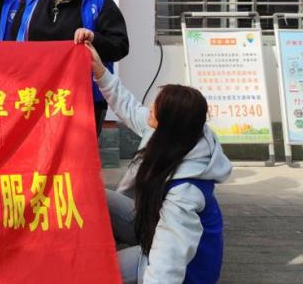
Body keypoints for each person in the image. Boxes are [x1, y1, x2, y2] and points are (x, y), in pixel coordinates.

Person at [89, 46, 230, 284]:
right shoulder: (176, 135)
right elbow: (128, 108)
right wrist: (100, 70)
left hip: (187, 269)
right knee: (94, 194)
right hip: (152, 227)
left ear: (170, 123)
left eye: (155, 109)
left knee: (96, 271)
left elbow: (169, 260)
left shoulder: (186, 191)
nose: (149, 109)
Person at [7, 0, 129, 136]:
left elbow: (120, 45)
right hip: (36, 96)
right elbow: (13, 43)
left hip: (83, 98)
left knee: (77, 154)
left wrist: (93, 38)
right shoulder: (32, 0)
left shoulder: (98, 0)